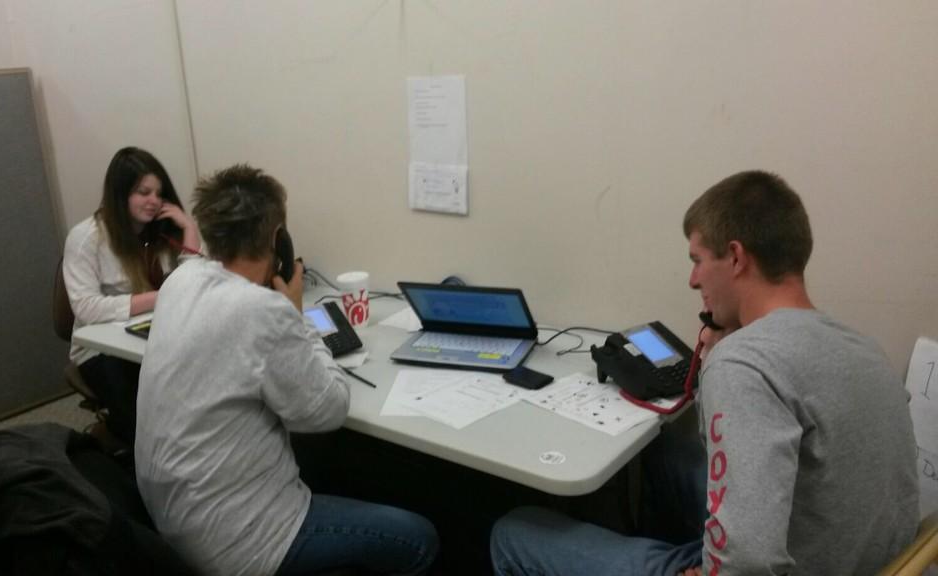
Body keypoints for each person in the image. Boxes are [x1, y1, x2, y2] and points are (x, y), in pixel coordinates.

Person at [490, 170, 919, 575]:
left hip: (773, 567)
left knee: (514, 531)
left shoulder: (743, 365)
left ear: (735, 257)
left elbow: (749, 561)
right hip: (856, 557)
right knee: (665, 453)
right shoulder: (861, 347)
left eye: (697, 260)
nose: (694, 280)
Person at [133, 164, 439, 576]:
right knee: (418, 537)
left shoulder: (180, 281)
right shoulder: (263, 311)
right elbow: (329, 410)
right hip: (242, 544)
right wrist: (294, 312)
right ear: (280, 239)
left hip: (172, 522)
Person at [63, 146, 201, 445]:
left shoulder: (160, 233)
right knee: (143, 422)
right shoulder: (87, 237)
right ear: (120, 192)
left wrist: (189, 228)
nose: (153, 201)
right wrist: (162, 296)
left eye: (158, 193)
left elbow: (192, 282)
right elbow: (87, 309)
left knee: (196, 388)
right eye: (143, 192)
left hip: (153, 334)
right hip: (101, 348)